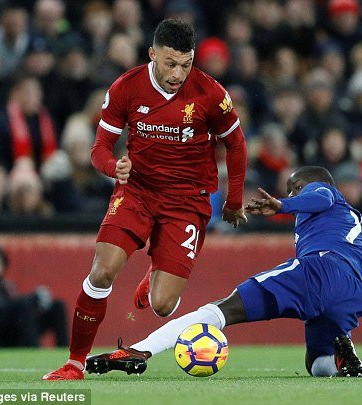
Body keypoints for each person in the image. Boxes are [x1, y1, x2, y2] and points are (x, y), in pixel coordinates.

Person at [43, 19, 247, 380]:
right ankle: (75, 363)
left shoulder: (211, 93)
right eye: (171, 63)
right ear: (152, 54)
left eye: (186, 64)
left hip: (187, 201)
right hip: (137, 191)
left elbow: (236, 144)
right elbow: (99, 148)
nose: (178, 74)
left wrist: (234, 201)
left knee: (163, 305)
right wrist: (113, 167)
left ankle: (155, 270)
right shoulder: (126, 87)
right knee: (102, 271)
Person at [85, 166, 362, 378]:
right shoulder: (350, 218)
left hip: (319, 269)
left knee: (220, 310)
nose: (292, 194)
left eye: (296, 188)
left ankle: (139, 350)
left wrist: (284, 205)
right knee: (317, 363)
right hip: (352, 289)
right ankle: (344, 357)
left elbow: (320, 197)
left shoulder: (326, 192)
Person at [0, 239, 68, 348]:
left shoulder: (5, 284)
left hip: (11, 333)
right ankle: (33, 350)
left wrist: (37, 303)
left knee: (57, 306)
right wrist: (29, 300)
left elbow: (17, 311)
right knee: (24, 306)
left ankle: (64, 350)